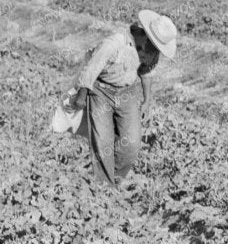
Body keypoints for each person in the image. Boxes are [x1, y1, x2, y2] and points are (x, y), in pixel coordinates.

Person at [61, 10, 178, 187]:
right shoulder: (114, 44)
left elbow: (146, 73)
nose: (155, 53)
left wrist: (147, 100)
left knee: (131, 144)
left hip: (127, 92)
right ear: (145, 37)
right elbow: (92, 66)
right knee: (103, 140)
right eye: (153, 47)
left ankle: (114, 179)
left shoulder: (151, 52)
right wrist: (82, 95)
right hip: (100, 90)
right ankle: (104, 187)